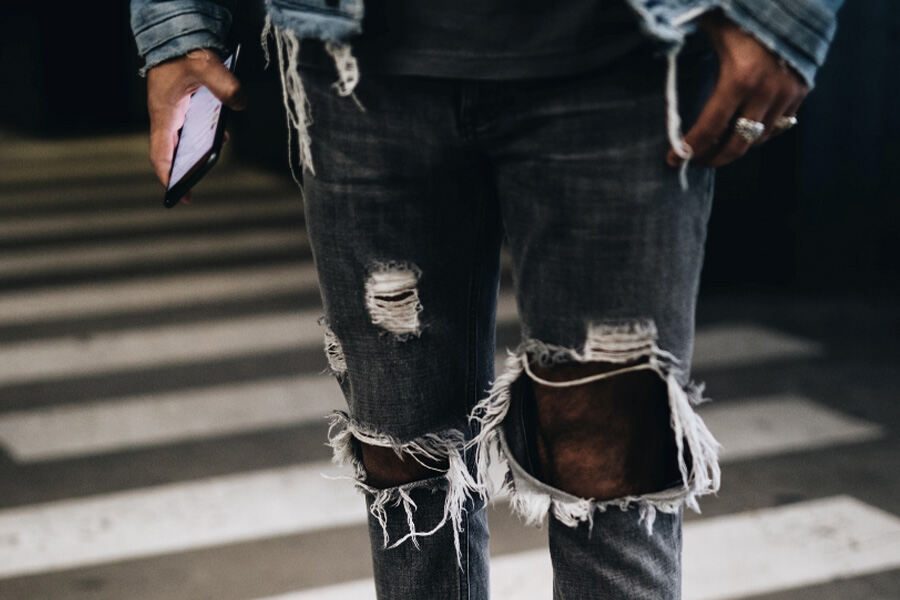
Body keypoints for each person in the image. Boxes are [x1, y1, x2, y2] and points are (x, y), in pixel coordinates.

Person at [130, 0, 843, 597]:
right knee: (400, 456)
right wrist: (176, 22)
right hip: (355, 67)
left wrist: (787, 14)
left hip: (619, 54)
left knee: (613, 460)